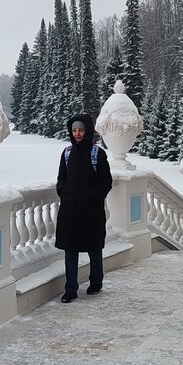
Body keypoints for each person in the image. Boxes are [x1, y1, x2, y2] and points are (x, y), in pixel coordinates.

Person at [55, 112, 113, 303]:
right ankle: (70, 289)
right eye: (74, 130)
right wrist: (63, 192)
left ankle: (96, 282)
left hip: (91, 212)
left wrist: (91, 197)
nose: (77, 134)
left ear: (87, 131)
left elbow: (106, 182)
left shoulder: (97, 153)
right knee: (70, 250)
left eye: (81, 130)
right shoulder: (67, 153)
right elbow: (61, 178)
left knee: (94, 248)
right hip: (69, 212)